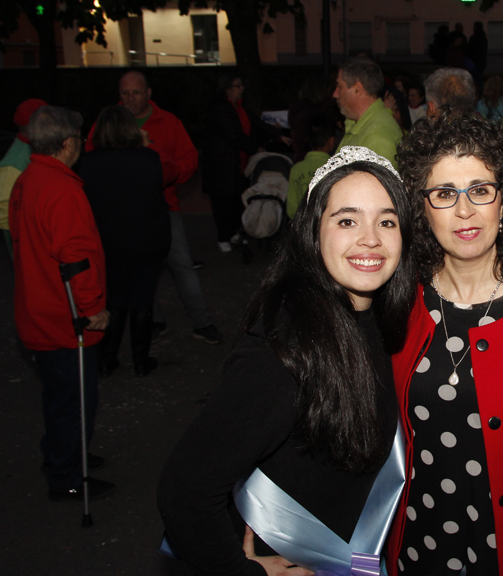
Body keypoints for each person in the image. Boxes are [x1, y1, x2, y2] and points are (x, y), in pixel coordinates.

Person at [158, 147, 416, 576]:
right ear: (313, 232)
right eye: (347, 220)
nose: (370, 238)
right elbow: (185, 488)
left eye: (386, 221)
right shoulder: (286, 346)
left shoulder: (374, 317)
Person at [389, 112, 503, 575]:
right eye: (445, 194)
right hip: (420, 543)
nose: (464, 211)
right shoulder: (398, 301)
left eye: (480, 190)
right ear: (421, 208)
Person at [10, 106, 114, 501]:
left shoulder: (27, 181)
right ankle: (67, 472)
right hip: (61, 316)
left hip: (35, 309)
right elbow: (76, 256)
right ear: (69, 143)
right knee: (74, 397)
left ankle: (62, 453)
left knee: (58, 393)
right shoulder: (61, 188)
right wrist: (92, 310)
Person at [88, 71, 221, 345]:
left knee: (181, 265)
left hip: (163, 207)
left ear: (148, 93)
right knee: (139, 269)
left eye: (136, 92)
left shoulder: (167, 122)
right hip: (120, 212)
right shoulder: (109, 121)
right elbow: (92, 157)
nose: (130, 99)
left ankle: (202, 322)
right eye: (125, 93)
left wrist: (165, 175)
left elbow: (189, 159)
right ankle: (152, 321)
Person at [78, 105, 170, 378]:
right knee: (142, 301)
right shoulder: (148, 159)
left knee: (114, 302)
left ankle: (107, 359)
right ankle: (141, 360)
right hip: (145, 243)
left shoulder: (88, 163)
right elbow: (158, 199)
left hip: (108, 246)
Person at [201, 75, 286, 253]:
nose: (242, 89)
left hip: (238, 163)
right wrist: (256, 148)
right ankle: (223, 237)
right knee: (222, 202)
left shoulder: (240, 106)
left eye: (241, 85)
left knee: (236, 200)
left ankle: (234, 232)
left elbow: (256, 123)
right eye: (237, 86)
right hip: (220, 165)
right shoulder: (220, 108)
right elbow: (233, 135)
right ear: (227, 88)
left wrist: (277, 135)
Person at [0, 98, 47, 259]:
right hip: (28, 245)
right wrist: (28, 234)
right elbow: (2, 212)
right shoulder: (13, 164)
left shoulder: (34, 148)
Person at [334, 57, 404, 167]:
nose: (335, 94)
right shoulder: (362, 126)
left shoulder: (377, 138)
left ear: (357, 89)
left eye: (339, 87)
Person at [286, 117, 335, 218]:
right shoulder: (335, 167)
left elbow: (291, 209)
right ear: (331, 141)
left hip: (302, 226)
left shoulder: (297, 169)